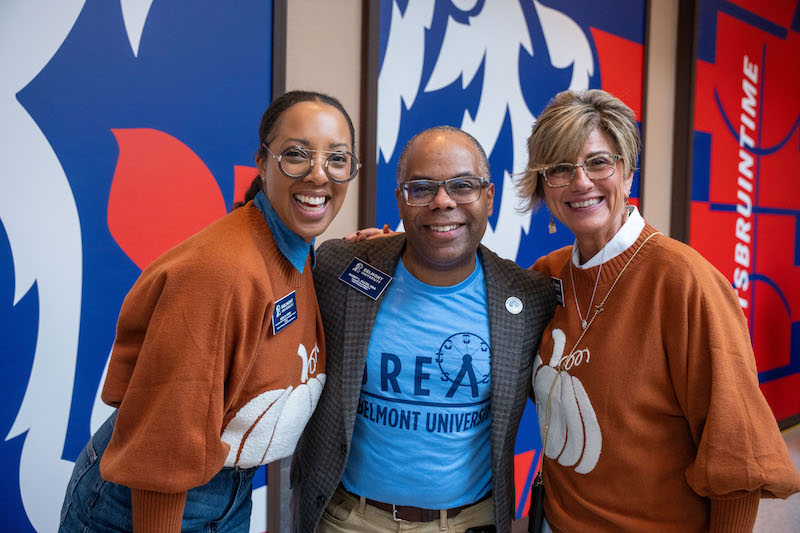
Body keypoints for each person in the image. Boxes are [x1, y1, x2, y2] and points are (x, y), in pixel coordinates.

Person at [59, 90, 359, 533]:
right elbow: (165, 437)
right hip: (154, 502)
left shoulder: (294, 250)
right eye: (296, 155)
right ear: (262, 161)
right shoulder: (224, 271)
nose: (319, 175)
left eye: (338, 159)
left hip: (225, 491)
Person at [519, 89, 800, 532]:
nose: (580, 181)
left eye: (598, 162)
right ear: (543, 187)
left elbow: (735, 455)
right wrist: (396, 254)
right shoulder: (546, 276)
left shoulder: (686, 283)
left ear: (627, 172)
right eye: (559, 168)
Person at [290, 126, 556, 532]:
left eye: (462, 185)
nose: (442, 202)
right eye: (421, 189)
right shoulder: (341, 268)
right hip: (350, 520)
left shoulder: (529, 298)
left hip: (470, 522)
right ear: (401, 200)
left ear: (489, 197)